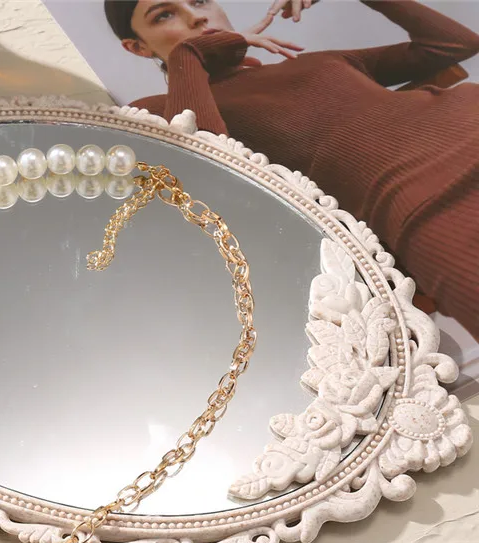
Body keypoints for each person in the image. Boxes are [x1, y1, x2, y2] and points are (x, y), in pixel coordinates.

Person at [105, 0, 479, 338]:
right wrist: (189, 54)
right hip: (424, 204)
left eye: (200, 0)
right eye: (164, 15)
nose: (196, 16)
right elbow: (206, 166)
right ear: (138, 47)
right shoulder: (153, 111)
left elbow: (454, 44)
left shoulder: (316, 62)